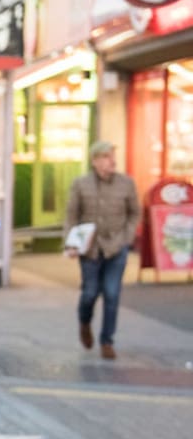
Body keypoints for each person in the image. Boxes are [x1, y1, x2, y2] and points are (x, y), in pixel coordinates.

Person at [64, 140, 141, 360]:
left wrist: (127, 237)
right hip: (90, 249)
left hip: (116, 247)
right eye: (107, 157)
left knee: (112, 293)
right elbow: (71, 215)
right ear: (95, 161)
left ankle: (107, 340)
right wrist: (71, 243)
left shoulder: (126, 183)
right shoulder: (80, 184)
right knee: (89, 293)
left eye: (113, 156)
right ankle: (84, 322)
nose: (112, 161)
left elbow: (135, 213)